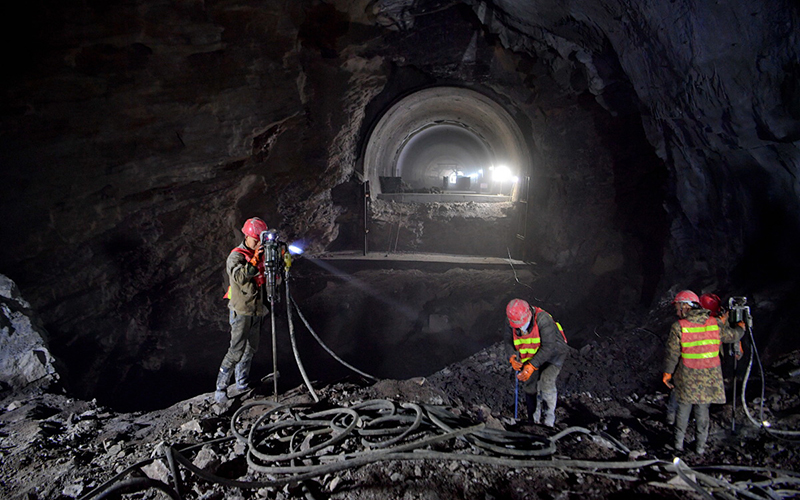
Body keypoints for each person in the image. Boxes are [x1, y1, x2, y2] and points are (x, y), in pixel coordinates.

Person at [662, 290, 744, 454]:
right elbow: (732, 336)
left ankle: (678, 445)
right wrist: (741, 328)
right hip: (709, 377)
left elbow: (672, 354)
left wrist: (668, 373)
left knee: (683, 411)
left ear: (686, 306)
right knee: (702, 412)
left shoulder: (679, 327)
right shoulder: (714, 323)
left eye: (678, 307)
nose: (677, 311)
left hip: (687, 376)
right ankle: (700, 447)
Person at [214, 217, 270, 404]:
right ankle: (220, 388)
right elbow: (239, 277)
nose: (258, 243)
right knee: (236, 350)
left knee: (250, 348)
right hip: (242, 310)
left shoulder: (261, 252)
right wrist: (253, 262)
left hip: (257, 309)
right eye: (255, 239)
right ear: (247, 236)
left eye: (260, 240)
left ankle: (242, 383)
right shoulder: (236, 256)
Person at [505, 298, 569, 427]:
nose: (521, 329)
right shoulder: (511, 321)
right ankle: (532, 420)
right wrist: (511, 356)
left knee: (546, 382)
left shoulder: (543, 319)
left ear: (528, 314)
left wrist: (532, 366)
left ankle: (548, 421)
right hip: (531, 354)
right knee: (529, 385)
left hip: (554, 354)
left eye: (522, 324)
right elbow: (508, 340)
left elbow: (548, 347)